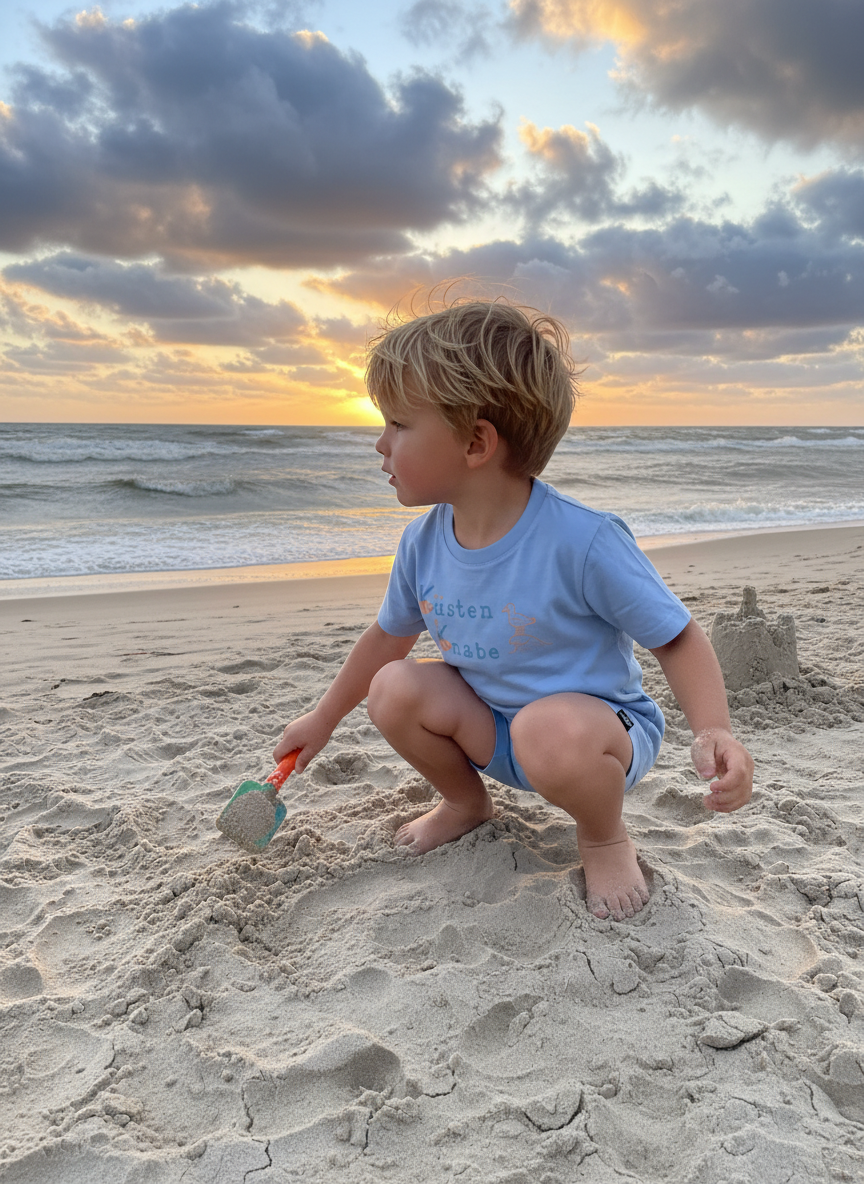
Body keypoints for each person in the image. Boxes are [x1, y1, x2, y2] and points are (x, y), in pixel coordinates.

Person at [274, 300, 753, 921]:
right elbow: (387, 640)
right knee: (393, 687)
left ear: (476, 442)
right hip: (491, 728)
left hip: (591, 739)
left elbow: (678, 637)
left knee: (545, 729)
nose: (380, 444)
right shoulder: (424, 543)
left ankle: (604, 835)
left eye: (397, 424)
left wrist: (714, 730)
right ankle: (466, 803)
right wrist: (322, 719)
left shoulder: (583, 541)